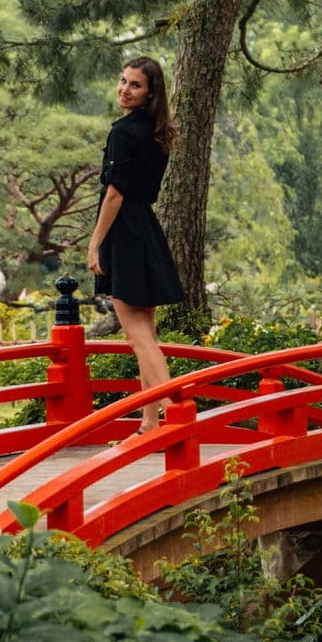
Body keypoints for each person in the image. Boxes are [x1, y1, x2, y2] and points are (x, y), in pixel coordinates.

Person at [85, 56, 184, 432]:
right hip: (145, 230)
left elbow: (115, 195)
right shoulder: (157, 131)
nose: (125, 90)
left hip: (125, 233)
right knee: (147, 332)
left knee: (136, 334)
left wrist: (95, 244)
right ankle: (149, 424)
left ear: (150, 92)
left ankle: (175, 414)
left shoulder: (124, 132)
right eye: (123, 81)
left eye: (135, 85)